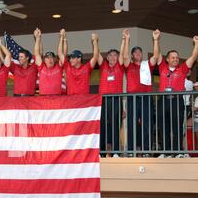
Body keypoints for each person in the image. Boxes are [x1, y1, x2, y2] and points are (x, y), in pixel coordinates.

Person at [156, 35, 198, 157]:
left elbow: (194, 57)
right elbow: (157, 53)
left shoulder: (183, 69)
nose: (175, 59)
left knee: (177, 127)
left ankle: (178, 151)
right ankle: (166, 151)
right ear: (167, 59)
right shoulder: (162, 67)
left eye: (177, 58)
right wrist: (156, 40)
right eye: (173, 57)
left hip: (177, 101)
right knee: (163, 127)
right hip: (163, 101)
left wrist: (196, 44)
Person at [123, 30, 160, 155]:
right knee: (132, 124)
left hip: (146, 98)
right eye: (135, 52)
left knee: (147, 124)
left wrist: (155, 40)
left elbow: (155, 56)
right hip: (132, 99)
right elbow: (124, 56)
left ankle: (146, 150)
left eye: (140, 52)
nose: (138, 53)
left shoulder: (146, 65)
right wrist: (127, 39)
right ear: (133, 55)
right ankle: (132, 150)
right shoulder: (129, 65)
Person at [97, 29, 127, 157]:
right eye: (111, 55)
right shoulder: (103, 66)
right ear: (107, 57)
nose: (113, 57)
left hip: (116, 99)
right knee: (102, 126)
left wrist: (124, 40)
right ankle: (102, 152)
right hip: (103, 100)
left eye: (116, 55)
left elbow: (123, 56)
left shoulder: (120, 67)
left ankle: (115, 152)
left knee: (116, 126)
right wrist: (95, 42)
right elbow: (97, 55)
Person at [58, 29, 100, 95]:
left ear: (79, 59)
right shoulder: (68, 67)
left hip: (83, 101)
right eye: (70, 58)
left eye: (73, 58)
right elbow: (60, 53)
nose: (71, 60)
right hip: (71, 100)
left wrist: (95, 42)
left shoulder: (86, 68)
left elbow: (95, 56)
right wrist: (61, 38)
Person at [33, 28, 65, 95]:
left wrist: (61, 38)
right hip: (43, 98)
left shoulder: (59, 67)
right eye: (47, 58)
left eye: (51, 58)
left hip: (57, 98)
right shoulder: (41, 67)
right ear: (44, 60)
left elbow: (61, 53)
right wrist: (38, 38)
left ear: (55, 59)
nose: (50, 60)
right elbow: (36, 53)